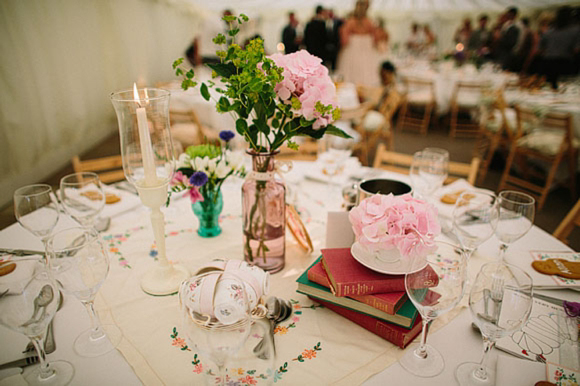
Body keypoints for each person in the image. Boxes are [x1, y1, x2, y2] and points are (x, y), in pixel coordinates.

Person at [336, 0, 380, 86]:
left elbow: (344, 40)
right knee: (367, 74)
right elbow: (376, 39)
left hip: (352, 50)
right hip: (367, 52)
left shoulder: (350, 22)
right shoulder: (370, 22)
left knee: (350, 75)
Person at [539, 6, 580, 89]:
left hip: (548, 62)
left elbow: (540, 49)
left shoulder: (549, 31)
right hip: (565, 63)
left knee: (550, 89)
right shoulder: (576, 30)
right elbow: (576, 50)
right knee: (566, 88)